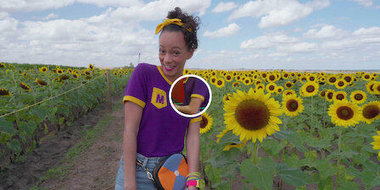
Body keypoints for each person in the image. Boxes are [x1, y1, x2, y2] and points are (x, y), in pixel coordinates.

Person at [115, 7, 201, 190]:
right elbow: (130, 130)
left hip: (174, 174)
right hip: (137, 170)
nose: (167, 59)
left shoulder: (194, 88)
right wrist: (130, 184)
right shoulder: (144, 74)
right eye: (162, 51)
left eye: (175, 52)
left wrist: (193, 181)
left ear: (190, 52)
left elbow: (193, 137)